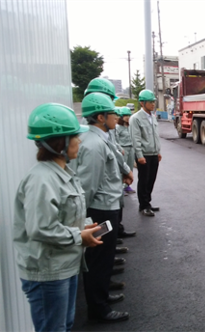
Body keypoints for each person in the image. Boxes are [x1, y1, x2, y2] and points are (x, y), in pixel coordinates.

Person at [13, 103, 102, 332]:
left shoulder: (61, 173)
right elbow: (41, 228)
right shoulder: (42, 179)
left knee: (64, 326)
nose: (79, 141)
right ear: (59, 143)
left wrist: (84, 226)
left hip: (63, 266)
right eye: (74, 137)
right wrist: (79, 236)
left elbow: (60, 216)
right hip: (48, 273)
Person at [70, 92, 132, 323]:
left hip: (107, 206)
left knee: (103, 258)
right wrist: (84, 219)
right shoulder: (95, 144)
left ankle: (102, 298)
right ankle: (99, 309)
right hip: (101, 210)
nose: (116, 116)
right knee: (99, 259)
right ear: (99, 117)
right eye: (111, 113)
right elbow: (88, 185)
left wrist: (123, 174)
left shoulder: (100, 137)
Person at [130, 89, 162, 217]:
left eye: (153, 102)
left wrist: (158, 151)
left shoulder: (152, 117)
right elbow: (136, 138)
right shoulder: (136, 118)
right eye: (150, 102)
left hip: (153, 154)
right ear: (142, 103)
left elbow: (155, 136)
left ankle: (147, 202)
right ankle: (143, 206)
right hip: (144, 155)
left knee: (151, 180)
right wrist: (139, 156)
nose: (153, 104)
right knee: (143, 180)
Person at [115, 106, 136, 193]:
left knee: (130, 167)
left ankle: (127, 185)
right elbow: (115, 140)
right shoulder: (117, 127)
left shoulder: (130, 126)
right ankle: (120, 187)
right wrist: (119, 149)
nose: (127, 117)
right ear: (121, 116)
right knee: (122, 168)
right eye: (125, 115)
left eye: (129, 115)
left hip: (131, 148)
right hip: (123, 149)